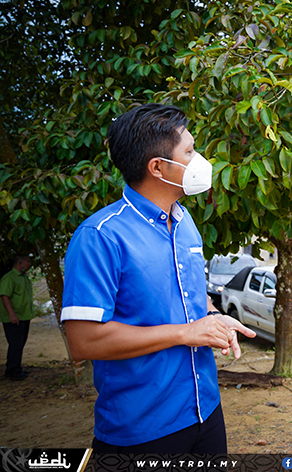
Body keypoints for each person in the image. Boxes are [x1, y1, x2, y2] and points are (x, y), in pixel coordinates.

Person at [61, 103, 255, 453]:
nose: (200, 160)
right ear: (158, 167)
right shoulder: (100, 236)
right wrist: (185, 333)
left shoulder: (185, 223)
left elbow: (189, 295)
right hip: (144, 427)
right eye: (190, 151)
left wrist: (212, 318)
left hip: (205, 410)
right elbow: (82, 341)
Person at [0, 255, 34, 381]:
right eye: (27, 261)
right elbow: (4, 296)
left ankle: (15, 368)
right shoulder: (9, 278)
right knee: (16, 344)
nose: (29, 264)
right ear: (20, 263)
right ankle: (12, 370)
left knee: (20, 343)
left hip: (24, 316)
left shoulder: (24, 277)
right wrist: (12, 314)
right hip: (14, 317)